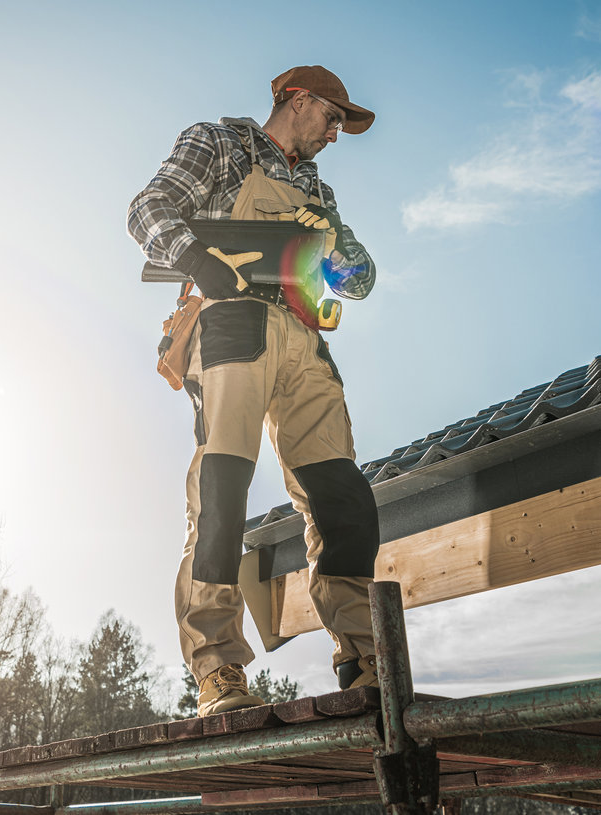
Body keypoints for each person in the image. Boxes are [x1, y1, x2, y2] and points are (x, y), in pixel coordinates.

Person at [127, 65, 382, 716]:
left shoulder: (318, 188)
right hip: (232, 323)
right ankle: (219, 672)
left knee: (341, 497)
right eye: (332, 117)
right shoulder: (218, 143)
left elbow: (358, 278)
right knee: (221, 492)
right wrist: (197, 259)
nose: (335, 133)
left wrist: (340, 251)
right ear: (298, 100)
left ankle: (365, 660)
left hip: (304, 339)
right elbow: (148, 209)